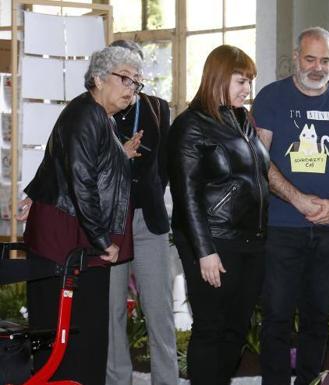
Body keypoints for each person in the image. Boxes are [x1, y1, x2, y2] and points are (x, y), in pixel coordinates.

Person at [252, 26, 329, 385]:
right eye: (310, 59)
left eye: (326, 60)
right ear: (296, 57)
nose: (318, 68)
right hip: (282, 228)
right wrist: (298, 199)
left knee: (319, 317)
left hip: (328, 229)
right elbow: (260, 160)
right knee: (277, 317)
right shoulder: (271, 98)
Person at [20, 46, 141, 385]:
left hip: (76, 233)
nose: (131, 88)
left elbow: (61, 162)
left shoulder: (95, 114)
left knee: (81, 331)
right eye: (125, 78)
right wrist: (103, 240)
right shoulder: (87, 114)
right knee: (71, 331)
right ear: (98, 78)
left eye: (137, 83)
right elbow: (80, 180)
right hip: (69, 238)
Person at [168, 45, 269, 385]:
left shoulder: (242, 121)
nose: (247, 89)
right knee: (211, 327)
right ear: (218, 78)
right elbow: (186, 196)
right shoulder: (190, 125)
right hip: (214, 241)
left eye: (250, 82)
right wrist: (204, 251)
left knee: (237, 328)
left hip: (250, 241)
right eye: (241, 81)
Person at [105, 40, 179, 385]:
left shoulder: (159, 108)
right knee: (113, 311)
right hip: (108, 224)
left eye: (136, 74)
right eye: (124, 75)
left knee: (159, 309)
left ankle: (166, 380)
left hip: (150, 219)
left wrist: (149, 192)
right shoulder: (94, 110)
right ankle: (118, 380)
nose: (131, 82)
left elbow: (166, 166)